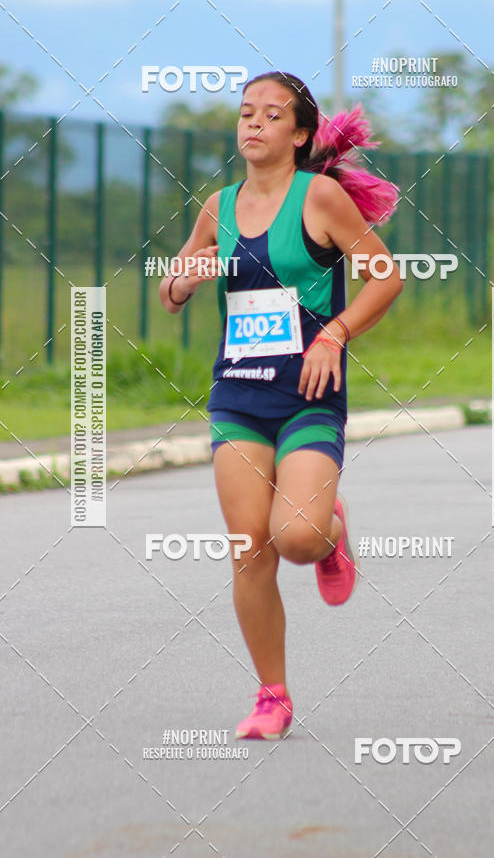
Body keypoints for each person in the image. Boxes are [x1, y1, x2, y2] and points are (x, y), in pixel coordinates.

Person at [159, 71, 402, 740]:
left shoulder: (319, 197)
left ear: (299, 134)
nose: (254, 124)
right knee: (249, 549)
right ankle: (273, 695)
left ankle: (328, 531)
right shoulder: (218, 205)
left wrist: (336, 331)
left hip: (307, 396)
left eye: (271, 115)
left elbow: (386, 274)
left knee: (295, 537)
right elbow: (173, 284)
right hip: (238, 395)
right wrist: (185, 281)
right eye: (245, 114)